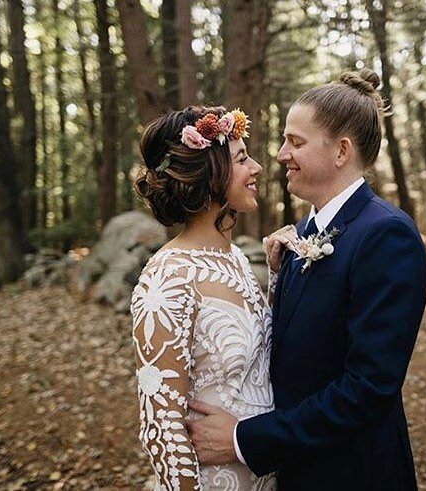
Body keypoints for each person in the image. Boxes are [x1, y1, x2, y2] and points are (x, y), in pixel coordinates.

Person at [188, 69, 426, 490]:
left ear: (341, 151)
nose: (281, 154)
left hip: (353, 474)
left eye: (295, 142)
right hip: (295, 470)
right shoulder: (301, 234)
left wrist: (245, 439)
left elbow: (368, 389)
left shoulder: (388, 235)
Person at [130, 106, 277, 490]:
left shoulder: (236, 259)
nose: (257, 167)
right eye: (243, 159)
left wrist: (278, 278)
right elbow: (161, 427)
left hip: (264, 474)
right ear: (212, 174)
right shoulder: (166, 278)